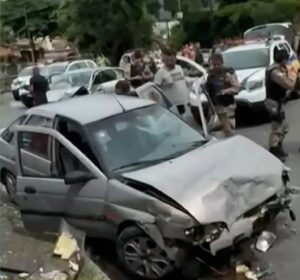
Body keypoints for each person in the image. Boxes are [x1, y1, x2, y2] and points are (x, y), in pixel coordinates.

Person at [265, 46, 297, 161]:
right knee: (277, 127)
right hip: (273, 103)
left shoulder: (278, 69)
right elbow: (289, 85)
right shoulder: (275, 71)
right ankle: (274, 150)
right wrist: (293, 74)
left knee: (284, 127)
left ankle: (278, 146)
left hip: (278, 102)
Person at [206, 53, 239, 137]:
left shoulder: (228, 73)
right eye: (214, 64)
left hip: (228, 105)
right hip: (217, 106)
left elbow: (236, 88)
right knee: (223, 129)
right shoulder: (210, 75)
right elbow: (209, 91)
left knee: (229, 128)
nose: (216, 66)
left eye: (218, 64)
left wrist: (226, 91)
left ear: (222, 63)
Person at [154, 48, 189, 117]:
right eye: (167, 60)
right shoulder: (160, 73)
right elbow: (155, 88)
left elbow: (182, 81)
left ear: (175, 59)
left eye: (172, 60)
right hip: (171, 105)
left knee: (184, 121)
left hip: (182, 103)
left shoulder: (179, 67)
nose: (170, 62)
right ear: (163, 60)